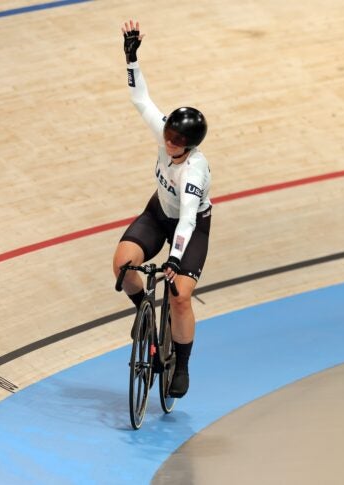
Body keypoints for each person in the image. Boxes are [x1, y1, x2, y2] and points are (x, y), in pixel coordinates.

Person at [112, 20, 212, 399]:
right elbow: (141, 101)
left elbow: (187, 218)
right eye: (166, 135)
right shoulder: (166, 134)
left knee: (180, 295)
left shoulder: (194, 170)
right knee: (123, 265)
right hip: (158, 213)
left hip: (191, 227)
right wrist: (131, 59)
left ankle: (182, 364)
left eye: (174, 141)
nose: (166, 142)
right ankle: (146, 319)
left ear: (187, 146)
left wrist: (174, 258)